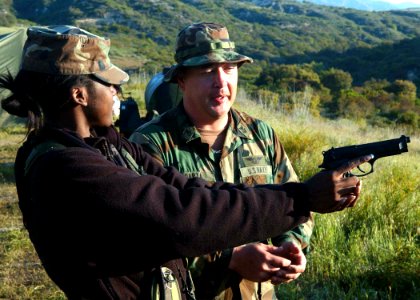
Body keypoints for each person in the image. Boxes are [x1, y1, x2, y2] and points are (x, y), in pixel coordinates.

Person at [0, 25, 368, 300]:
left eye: (229, 69)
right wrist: (299, 201)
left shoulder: (106, 145)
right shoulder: (65, 167)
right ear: (79, 93)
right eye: (107, 83)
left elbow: (191, 188)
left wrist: (296, 205)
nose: (117, 92)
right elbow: (179, 218)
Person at [130, 22, 314, 300]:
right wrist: (230, 258)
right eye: (206, 71)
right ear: (181, 80)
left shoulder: (260, 134)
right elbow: (144, 234)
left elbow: (294, 201)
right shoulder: (150, 143)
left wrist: (291, 245)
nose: (221, 81)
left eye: (229, 69)